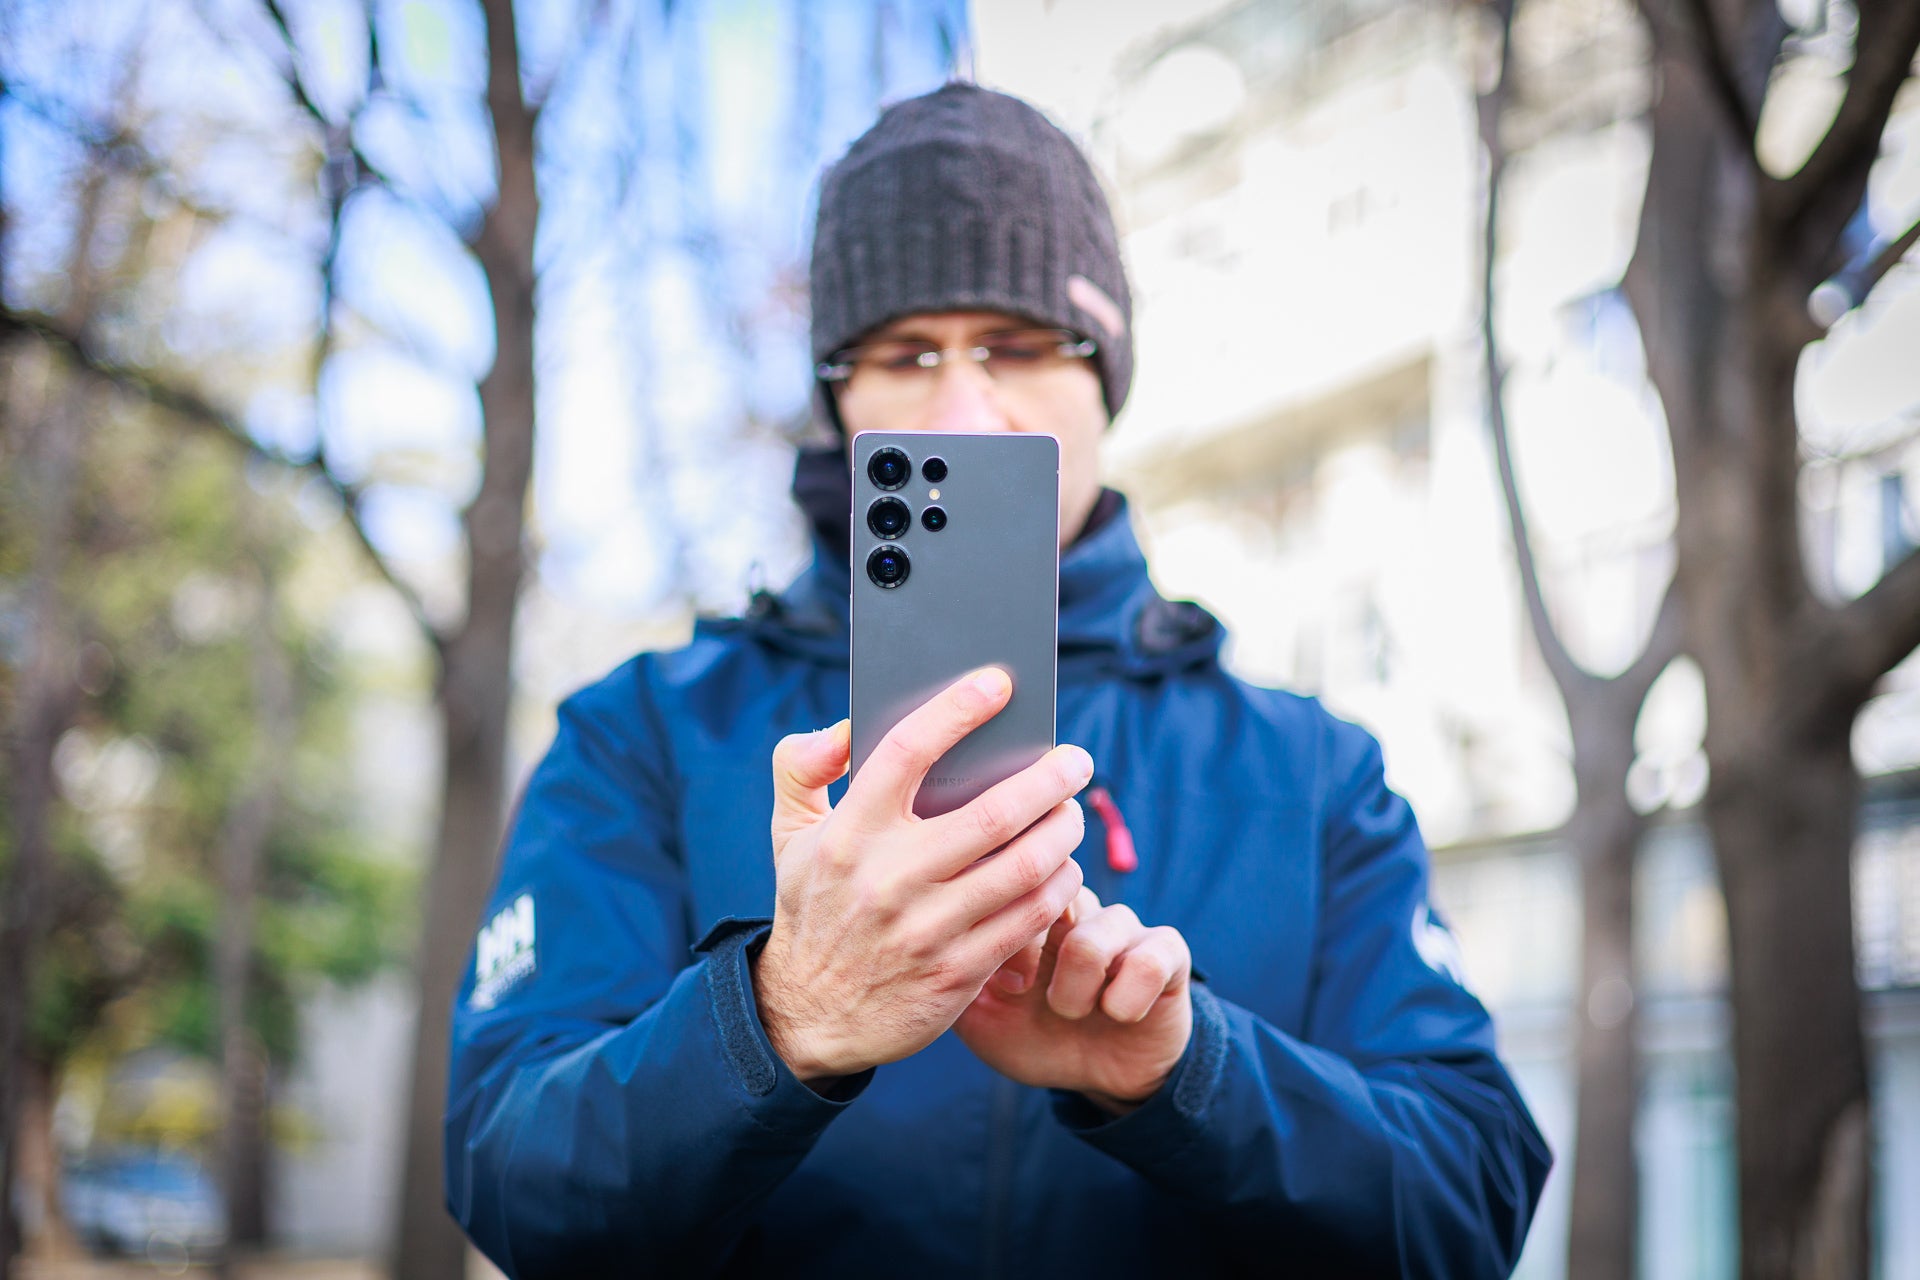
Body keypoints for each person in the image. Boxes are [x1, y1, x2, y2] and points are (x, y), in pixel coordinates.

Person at [445, 83, 1550, 1277]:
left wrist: (1186, 1075)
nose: (966, 405)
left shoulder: (1315, 769)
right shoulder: (644, 734)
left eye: (1022, 347)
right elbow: (513, 1180)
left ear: (1105, 375)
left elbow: (1469, 1202)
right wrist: (780, 1019)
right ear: (841, 395)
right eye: (907, 351)